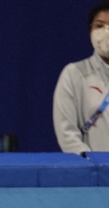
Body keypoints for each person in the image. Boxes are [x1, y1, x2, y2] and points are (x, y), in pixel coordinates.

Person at [53, 2, 109, 154]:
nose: (106, 32)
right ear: (90, 31)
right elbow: (67, 134)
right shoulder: (74, 74)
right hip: (95, 172)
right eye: (99, 26)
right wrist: (93, 166)